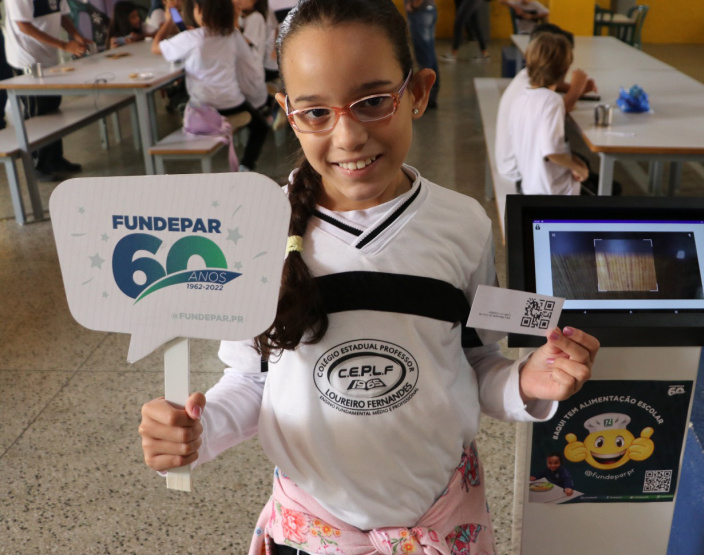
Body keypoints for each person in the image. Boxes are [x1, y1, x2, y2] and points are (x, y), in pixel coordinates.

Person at [137, 1, 599, 553]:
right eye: (316, 112)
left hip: (440, 521)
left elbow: (474, 363)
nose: (349, 135)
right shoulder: (254, 231)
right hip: (314, 534)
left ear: (420, 92)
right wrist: (197, 430)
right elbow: (252, 381)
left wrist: (527, 382)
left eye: (375, 101)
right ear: (288, 111)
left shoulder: (463, 225)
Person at [152, 0, 268, 171]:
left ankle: (184, 107)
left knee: (185, 96)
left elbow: (155, 48)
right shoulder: (233, 35)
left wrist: (170, 19)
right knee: (261, 127)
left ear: (199, 11)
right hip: (232, 104)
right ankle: (246, 166)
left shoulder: (191, 38)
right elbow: (249, 67)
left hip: (202, 108)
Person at [495, 24, 594, 191]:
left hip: (528, 178)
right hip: (545, 189)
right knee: (595, 178)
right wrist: (578, 169)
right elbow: (551, 152)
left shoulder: (525, 91)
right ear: (565, 67)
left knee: (578, 159)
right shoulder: (552, 101)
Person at [2, 0, 88, 181]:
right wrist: (64, 45)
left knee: (52, 109)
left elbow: (62, 15)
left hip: (48, 54)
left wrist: (76, 36)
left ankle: (54, 159)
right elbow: (23, 26)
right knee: (37, 113)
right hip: (27, 57)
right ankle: (37, 165)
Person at [404, 0, 438, 108]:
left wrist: (414, 6)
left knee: (424, 56)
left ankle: (427, 98)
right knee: (429, 54)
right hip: (428, 10)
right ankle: (431, 96)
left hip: (420, 12)